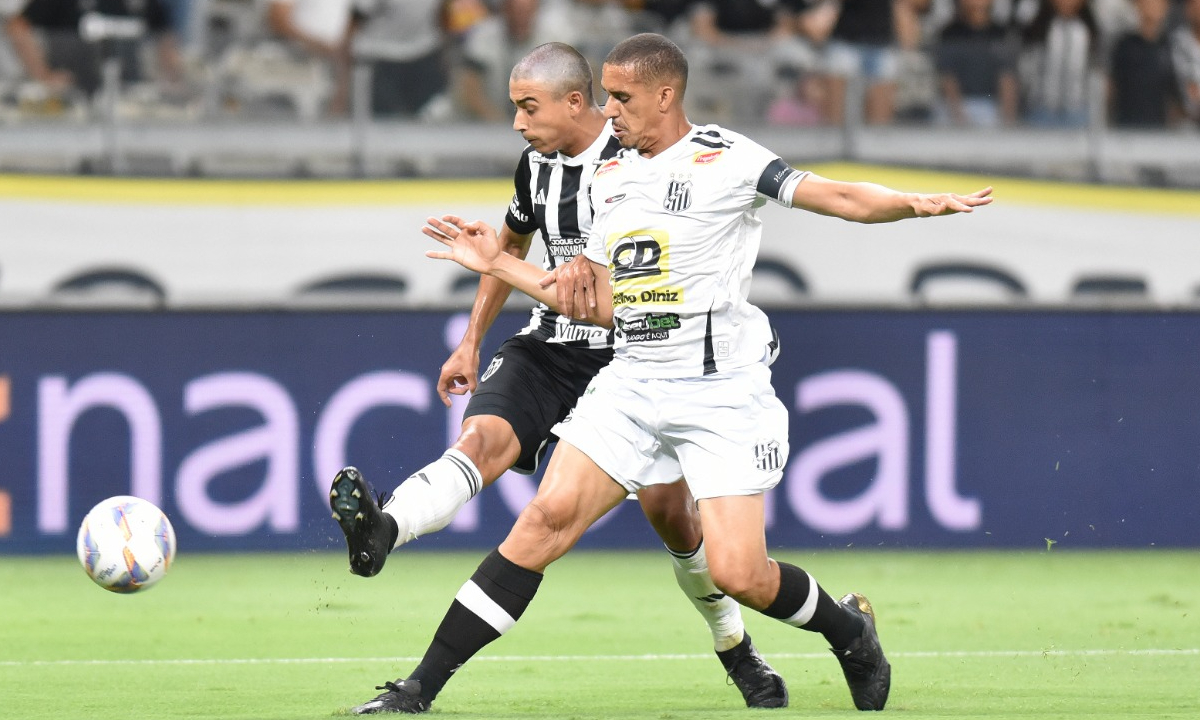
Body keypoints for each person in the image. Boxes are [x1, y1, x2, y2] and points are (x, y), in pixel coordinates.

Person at [343, 32, 991, 715]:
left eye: (620, 98)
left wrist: (913, 203)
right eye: (607, 96)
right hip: (632, 382)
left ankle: (848, 628)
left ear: (665, 94)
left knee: (739, 572)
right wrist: (498, 264)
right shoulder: (612, 178)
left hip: (720, 392)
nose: (609, 110)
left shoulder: (726, 156)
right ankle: (416, 691)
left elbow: (834, 195)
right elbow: (584, 301)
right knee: (543, 524)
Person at [329, 41, 788, 712]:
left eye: (527, 107)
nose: (517, 122)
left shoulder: (640, 161)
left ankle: (735, 647)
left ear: (575, 102)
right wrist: (471, 339)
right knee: (482, 441)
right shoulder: (535, 166)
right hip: (550, 345)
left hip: (632, 357)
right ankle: (384, 531)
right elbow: (510, 248)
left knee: (674, 519)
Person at [3, 0, 184, 99]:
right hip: (72, 97)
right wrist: (43, 74)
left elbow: (165, 37)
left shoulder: (142, 4)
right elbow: (17, 27)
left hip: (129, 98)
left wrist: (173, 77)